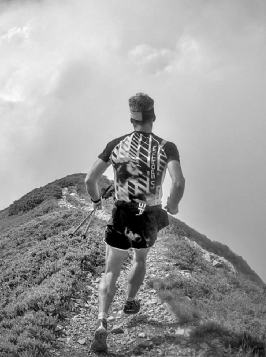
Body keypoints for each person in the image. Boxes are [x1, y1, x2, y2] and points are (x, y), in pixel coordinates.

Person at [84, 92, 185, 353]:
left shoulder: (115, 145)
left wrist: (96, 201)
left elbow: (89, 180)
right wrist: (172, 206)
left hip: (123, 212)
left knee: (110, 271)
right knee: (140, 260)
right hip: (148, 214)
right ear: (153, 117)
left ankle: (102, 322)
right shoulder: (166, 147)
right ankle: (130, 301)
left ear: (131, 118)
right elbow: (178, 182)